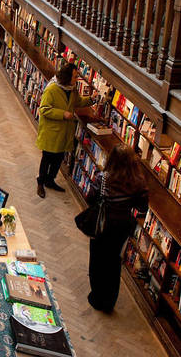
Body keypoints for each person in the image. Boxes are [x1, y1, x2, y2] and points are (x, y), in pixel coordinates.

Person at [85, 144, 148, 312]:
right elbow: (142, 208)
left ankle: (97, 298)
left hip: (103, 224)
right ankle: (109, 302)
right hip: (122, 227)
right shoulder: (139, 182)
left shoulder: (103, 178)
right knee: (113, 262)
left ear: (112, 159)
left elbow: (90, 198)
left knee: (97, 261)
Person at [36, 63, 95, 198]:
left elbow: (77, 102)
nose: (76, 79)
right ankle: (40, 183)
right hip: (52, 132)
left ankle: (50, 180)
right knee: (47, 158)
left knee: (58, 159)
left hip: (64, 132)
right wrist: (62, 114)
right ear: (67, 77)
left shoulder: (72, 89)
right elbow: (44, 109)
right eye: (75, 77)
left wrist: (92, 99)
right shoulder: (52, 89)